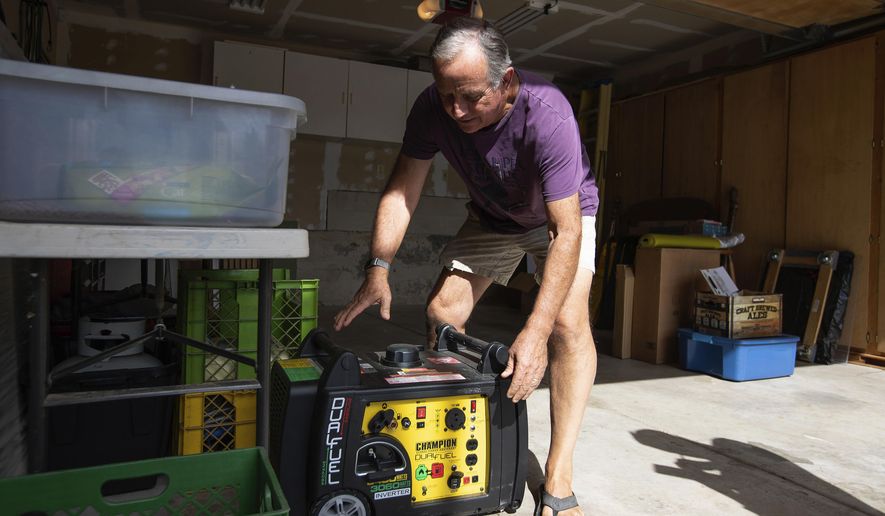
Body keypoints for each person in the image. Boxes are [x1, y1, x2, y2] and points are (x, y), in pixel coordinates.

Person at [333, 17, 598, 516]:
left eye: (472, 97)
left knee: (565, 322)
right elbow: (401, 189)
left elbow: (565, 233)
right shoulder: (434, 108)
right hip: (494, 216)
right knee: (442, 313)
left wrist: (535, 330)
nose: (456, 110)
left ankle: (558, 477)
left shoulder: (549, 114)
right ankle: (450, 445)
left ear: (508, 82)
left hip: (562, 216)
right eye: (446, 93)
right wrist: (378, 267)